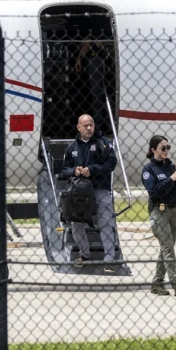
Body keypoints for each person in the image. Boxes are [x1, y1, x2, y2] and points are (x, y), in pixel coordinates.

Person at [61, 114, 118, 273]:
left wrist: (92, 170)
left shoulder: (103, 143)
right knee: (76, 223)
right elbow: (64, 169)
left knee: (105, 222)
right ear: (78, 127)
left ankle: (109, 259)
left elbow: (111, 163)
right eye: (85, 125)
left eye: (91, 124)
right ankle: (84, 254)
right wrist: (75, 170)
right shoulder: (72, 147)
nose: (89, 128)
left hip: (99, 188)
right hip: (80, 192)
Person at [142, 135, 176, 296]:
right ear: (153, 150)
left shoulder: (171, 167)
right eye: (163, 148)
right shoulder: (148, 170)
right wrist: (171, 179)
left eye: (168, 147)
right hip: (159, 211)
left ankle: (157, 282)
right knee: (167, 246)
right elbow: (154, 192)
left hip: (175, 209)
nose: (166, 151)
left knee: (166, 248)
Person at [75, 34, 110, 131]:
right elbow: (87, 41)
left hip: (100, 60)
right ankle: (99, 125)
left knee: (99, 94)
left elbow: (87, 41)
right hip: (94, 60)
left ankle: (102, 125)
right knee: (96, 94)